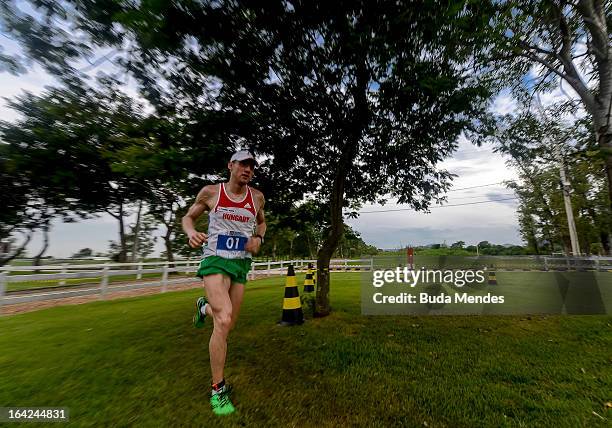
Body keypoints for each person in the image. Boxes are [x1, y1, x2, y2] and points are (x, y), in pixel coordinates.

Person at [181, 150, 266, 416]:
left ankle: (203, 307)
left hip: (240, 264)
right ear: (230, 165)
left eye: (252, 166)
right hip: (215, 260)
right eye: (243, 164)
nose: (248, 169)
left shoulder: (258, 197)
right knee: (225, 318)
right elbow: (188, 217)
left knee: (227, 327)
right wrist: (191, 232)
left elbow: (262, 224)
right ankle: (218, 388)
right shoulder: (211, 193)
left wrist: (258, 239)